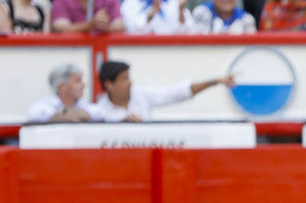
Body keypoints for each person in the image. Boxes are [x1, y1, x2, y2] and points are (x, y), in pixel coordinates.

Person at [92, 59, 233, 121]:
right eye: (124, 79)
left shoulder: (141, 95)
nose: (130, 83)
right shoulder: (99, 112)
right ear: (109, 84)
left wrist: (214, 82)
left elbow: (175, 93)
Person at [27, 62, 96, 122]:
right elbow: (33, 114)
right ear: (62, 87)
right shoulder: (41, 107)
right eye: (78, 81)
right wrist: (63, 115)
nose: (84, 85)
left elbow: (102, 114)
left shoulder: (84, 105)